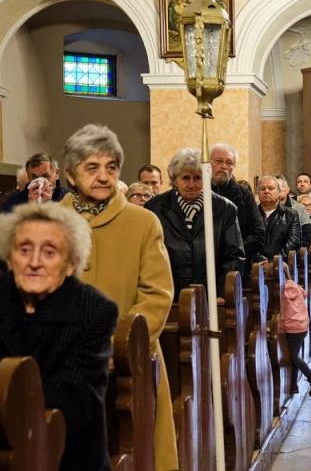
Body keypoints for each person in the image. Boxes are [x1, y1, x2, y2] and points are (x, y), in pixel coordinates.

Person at [60, 124, 178, 470]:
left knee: (139, 451)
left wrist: (119, 345)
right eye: (92, 167)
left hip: (132, 362)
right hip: (62, 365)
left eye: (110, 167)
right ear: (70, 174)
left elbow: (157, 294)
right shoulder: (49, 222)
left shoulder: (142, 222)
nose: (103, 176)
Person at [0, 202, 118, 471]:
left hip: (69, 454)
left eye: (49, 252)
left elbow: (73, 399)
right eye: (24, 250)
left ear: (71, 264)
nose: (34, 263)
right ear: (9, 258)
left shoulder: (95, 311)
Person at [146, 148, 245, 297]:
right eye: (185, 178)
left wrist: (221, 294)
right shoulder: (155, 207)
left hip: (211, 295)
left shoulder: (225, 208)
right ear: (174, 180)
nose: (191, 184)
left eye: (197, 178)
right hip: (167, 294)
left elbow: (234, 256)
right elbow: (149, 255)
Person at [210, 143, 266, 273]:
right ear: (209, 163)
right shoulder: (199, 192)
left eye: (229, 163)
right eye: (219, 161)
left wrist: (232, 250)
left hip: (238, 267)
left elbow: (258, 233)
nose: (224, 166)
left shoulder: (244, 195)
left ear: (233, 167)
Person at [280, 262, 311, 397]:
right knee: (294, 356)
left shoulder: (282, 290)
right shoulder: (294, 285)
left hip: (293, 327)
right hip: (302, 325)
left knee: (293, 357)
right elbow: (304, 294)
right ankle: (293, 386)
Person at [3, 152, 68, 211]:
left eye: (45, 176)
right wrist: (30, 207)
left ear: (57, 174)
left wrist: (49, 206)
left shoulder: (68, 199)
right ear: (28, 176)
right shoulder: (13, 202)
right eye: (34, 177)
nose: (40, 182)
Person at [257, 175, 301, 261]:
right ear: (258, 193)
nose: (266, 191)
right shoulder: (250, 214)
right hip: (254, 264)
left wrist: (274, 261)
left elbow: (293, 242)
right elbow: (246, 241)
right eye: (262, 189)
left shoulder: (291, 215)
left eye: (271, 188)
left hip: (281, 265)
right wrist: (259, 260)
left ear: (279, 192)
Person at [276, 175, 311, 248]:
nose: (279, 189)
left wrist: (293, 250)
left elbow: (307, 234)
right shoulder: (268, 207)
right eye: (276, 187)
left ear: (288, 190)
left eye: (282, 186)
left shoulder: (299, 208)